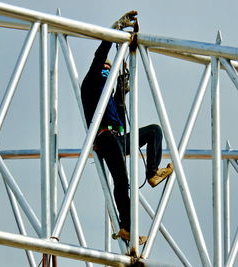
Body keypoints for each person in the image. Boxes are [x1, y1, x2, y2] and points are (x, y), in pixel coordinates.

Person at [80, 11, 173, 245]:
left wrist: (121, 92)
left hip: (118, 137)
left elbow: (121, 119)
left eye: (109, 69)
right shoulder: (91, 82)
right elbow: (100, 55)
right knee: (122, 181)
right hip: (105, 138)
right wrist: (115, 32)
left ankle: (152, 172)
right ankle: (126, 227)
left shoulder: (108, 94)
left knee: (154, 131)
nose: (107, 71)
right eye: (105, 68)